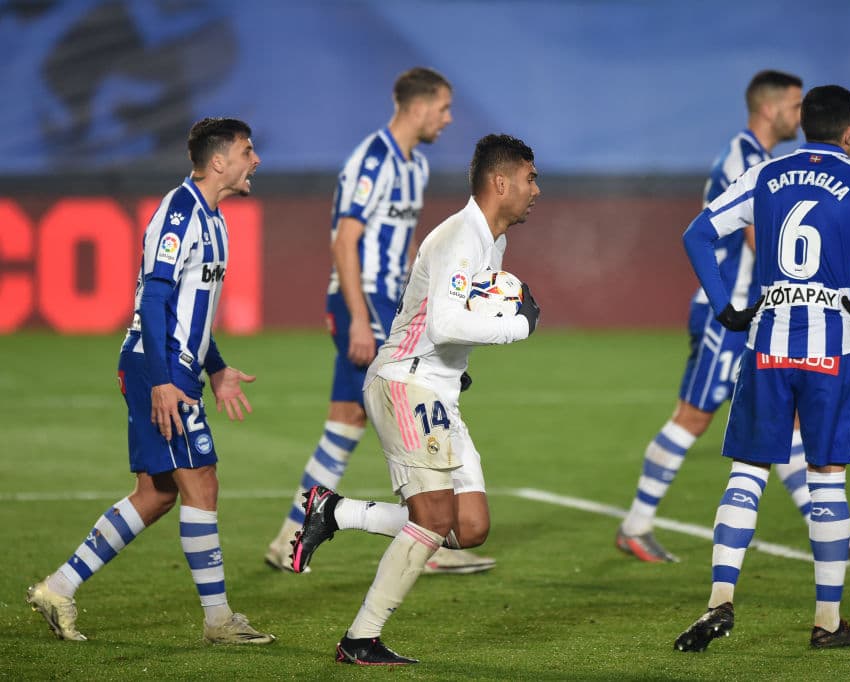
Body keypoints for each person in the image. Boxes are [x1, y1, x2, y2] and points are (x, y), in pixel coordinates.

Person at [674, 85, 850, 652]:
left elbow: (698, 234)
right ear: (849, 130)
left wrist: (725, 308)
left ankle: (719, 601)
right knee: (826, 478)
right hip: (832, 345)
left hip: (767, 340)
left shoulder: (766, 175)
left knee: (747, 472)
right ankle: (827, 621)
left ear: (805, 124)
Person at [617, 71, 850, 564]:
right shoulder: (747, 159)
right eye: (792, 104)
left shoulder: (764, 162)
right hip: (735, 314)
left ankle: (831, 532)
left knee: (783, 428)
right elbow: (757, 241)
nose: (798, 114)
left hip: (759, 317)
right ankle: (636, 524)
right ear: (769, 109)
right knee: (694, 417)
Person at [289, 134, 542, 665]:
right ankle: (360, 640)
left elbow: (450, 316)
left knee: (469, 528)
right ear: (501, 183)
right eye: (529, 178)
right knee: (431, 521)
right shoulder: (460, 236)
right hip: (407, 381)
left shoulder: (493, 242)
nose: (535, 190)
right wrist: (518, 326)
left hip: (438, 390)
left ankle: (336, 511)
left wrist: (462, 366)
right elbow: (446, 322)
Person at [27, 118, 274, 644]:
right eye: (248, 151)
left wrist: (218, 367)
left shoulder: (217, 220)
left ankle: (58, 588)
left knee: (158, 492)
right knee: (201, 480)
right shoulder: (179, 212)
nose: (256, 160)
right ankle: (218, 620)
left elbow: (194, 312)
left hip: (172, 365)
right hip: (156, 367)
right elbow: (155, 298)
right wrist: (164, 380)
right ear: (218, 162)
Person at [262, 67, 493, 575]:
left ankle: (298, 534)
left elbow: (408, 248)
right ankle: (422, 532)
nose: (448, 118)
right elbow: (345, 240)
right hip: (360, 301)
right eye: (444, 108)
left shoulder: (415, 168)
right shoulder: (374, 158)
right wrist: (360, 319)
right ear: (417, 107)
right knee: (394, 409)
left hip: (390, 303)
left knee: (352, 419)